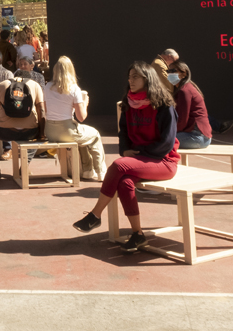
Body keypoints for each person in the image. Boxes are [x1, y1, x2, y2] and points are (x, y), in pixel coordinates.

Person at [71, 61, 180, 253]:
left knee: (119, 166)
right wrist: (126, 150)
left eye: (135, 77)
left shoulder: (164, 105)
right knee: (124, 183)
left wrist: (137, 155)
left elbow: (167, 143)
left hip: (163, 160)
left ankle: (95, 215)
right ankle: (138, 234)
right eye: (129, 77)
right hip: (138, 161)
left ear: (148, 78)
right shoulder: (128, 103)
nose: (131, 81)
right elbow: (123, 133)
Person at [42, 57, 105, 180]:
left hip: (50, 131)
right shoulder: (74, 88)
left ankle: (87, 170)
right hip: (67, 130)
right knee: (95, 135)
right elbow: (81, 117)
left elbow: (47, 111)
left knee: (82, 137)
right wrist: (85, 101)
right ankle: (101, 172)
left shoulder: (47, 87)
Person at [0, 65, 45, 179]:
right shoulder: (35, 85)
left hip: (6, 132)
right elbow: (41, 111)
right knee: (36, 137)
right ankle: (25, 166)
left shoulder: (2, 85)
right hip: (29, 132)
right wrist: (41, 133)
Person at [168, 61, 212, 149]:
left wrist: (168, 132)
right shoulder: (185, 87)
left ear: (184, 74)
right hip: (196, 135)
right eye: (168, 71)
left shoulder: (184, 91)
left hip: (197, 137)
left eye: (173, 71)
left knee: (160, 141)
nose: (169, 74)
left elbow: (182, 120)